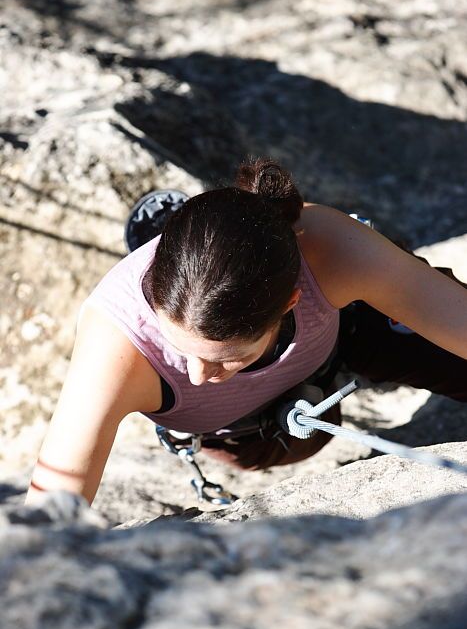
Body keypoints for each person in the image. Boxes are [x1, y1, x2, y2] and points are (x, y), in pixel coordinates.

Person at [25, 158, 467, 506]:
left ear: (290, 302)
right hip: (245, 429)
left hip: (341, 335)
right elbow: (54, 498)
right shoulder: (118, 343)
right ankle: (164, 237)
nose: (198, 375)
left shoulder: (326, 248)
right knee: (318, 430)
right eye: (185, 351)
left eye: (222, 358)